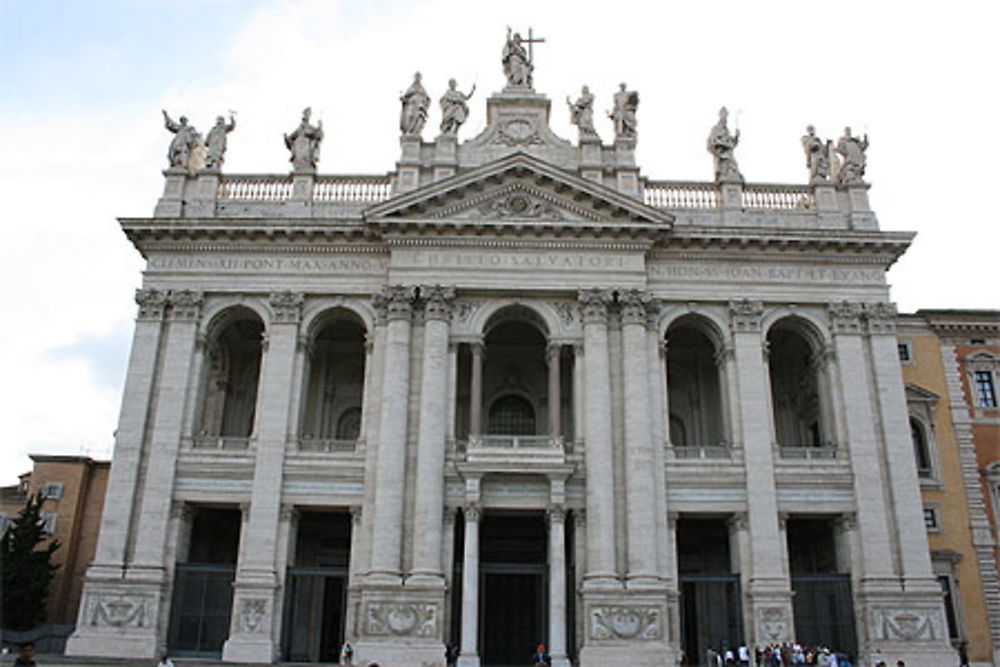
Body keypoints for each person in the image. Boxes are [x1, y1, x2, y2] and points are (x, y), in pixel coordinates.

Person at [708, 106, 742, 182]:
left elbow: (732, 144)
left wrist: (736, 137)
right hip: (722, 155)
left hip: (729, 155)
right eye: (724, 116)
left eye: (726, 116)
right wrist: (722, 145)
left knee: (733, 166)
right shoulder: (716, 128)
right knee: (725, 169)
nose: (725, 119)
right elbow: (712, 142)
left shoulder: (727, 130)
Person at [284, 107, 323, 172]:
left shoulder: (311, 128)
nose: (304, 120)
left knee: (306, 160)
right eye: (304, 116)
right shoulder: (299, 129)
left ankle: (306, 170)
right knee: (299, 160)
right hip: (299, 146)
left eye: (307, 115)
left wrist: (319, 127)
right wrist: (286, 138)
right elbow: (291, 138)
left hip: (307, 146)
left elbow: (318, 136)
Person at [400, 72, 431, 136]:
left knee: (417, 117)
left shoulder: (422, 88)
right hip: (411, 104)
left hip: (419, 106)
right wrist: (404, 99)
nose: (418, 78)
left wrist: (425, 102)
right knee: (410, 116)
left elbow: (427, 98)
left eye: (419, 77)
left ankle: (414, 131)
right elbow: (406, 96)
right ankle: (409, 131)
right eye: (416, 77)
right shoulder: (411, 87)